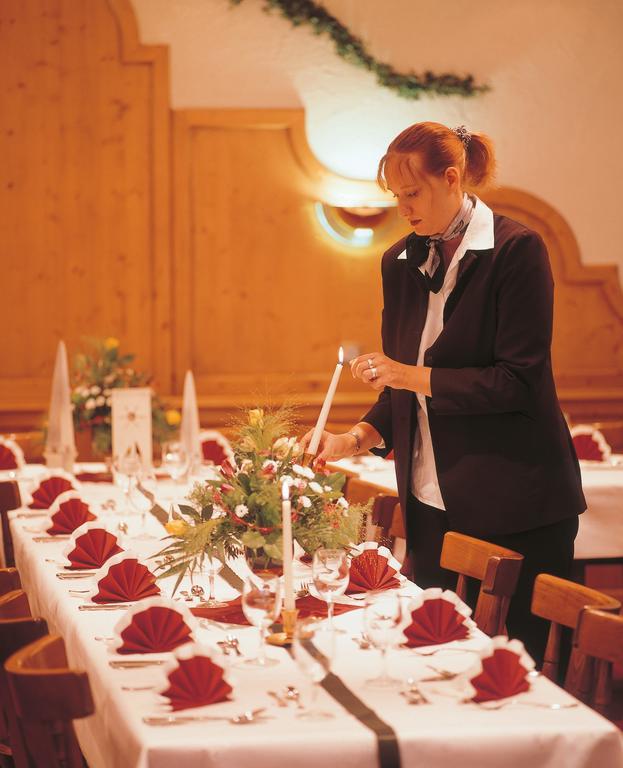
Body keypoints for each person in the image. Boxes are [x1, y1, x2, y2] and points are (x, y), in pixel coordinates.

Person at [300, 121, 586, 664]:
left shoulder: (517, 251)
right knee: (434, 662)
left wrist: (406, 374)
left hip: (516, 502)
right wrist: (355, 437)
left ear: (452, 179)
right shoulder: (399, 262)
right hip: (430, 503)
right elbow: (401, 390)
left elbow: (515, 382)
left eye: (413, 193)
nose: (403, 208)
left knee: (509, 674)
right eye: (396, 196)